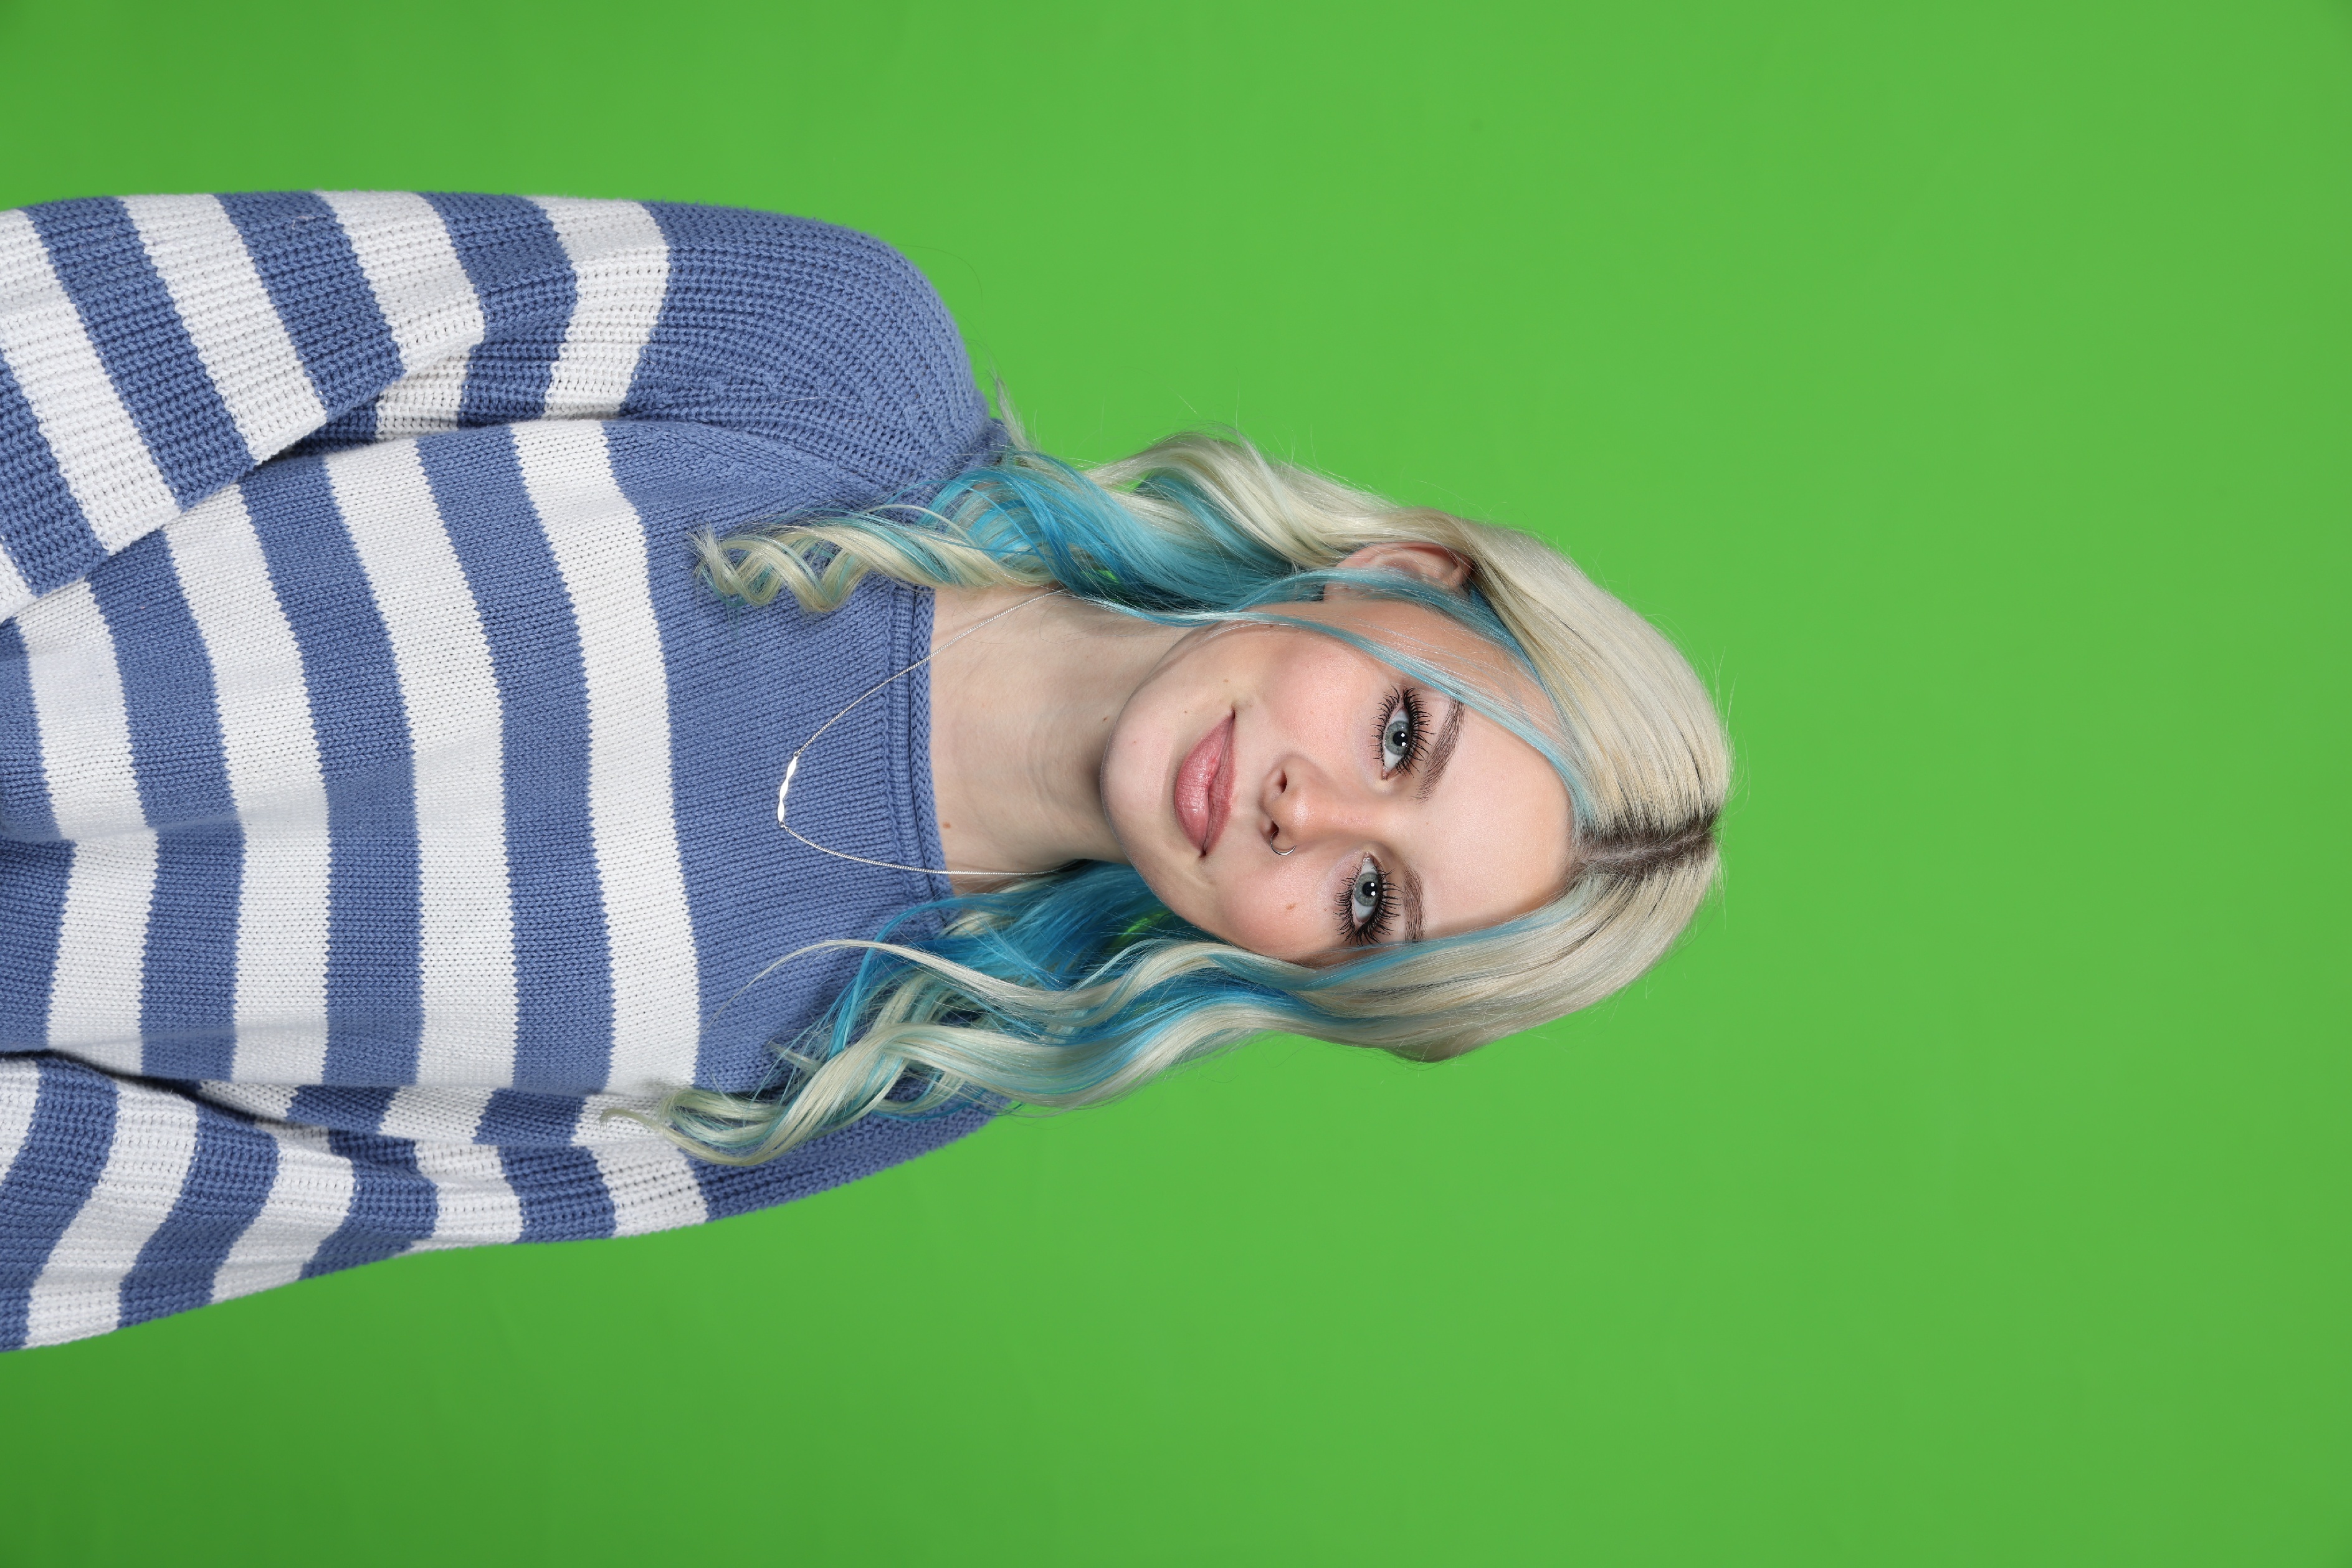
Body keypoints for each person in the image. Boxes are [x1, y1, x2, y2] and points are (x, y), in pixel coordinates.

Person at [0, 191, 1728, 1351]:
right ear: (1398, 575)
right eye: (1400, 735)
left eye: (1367, 899)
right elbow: (156, 335)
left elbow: (275, 1191)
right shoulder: (837, 359)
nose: (1309, 813)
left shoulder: (894, 1062)